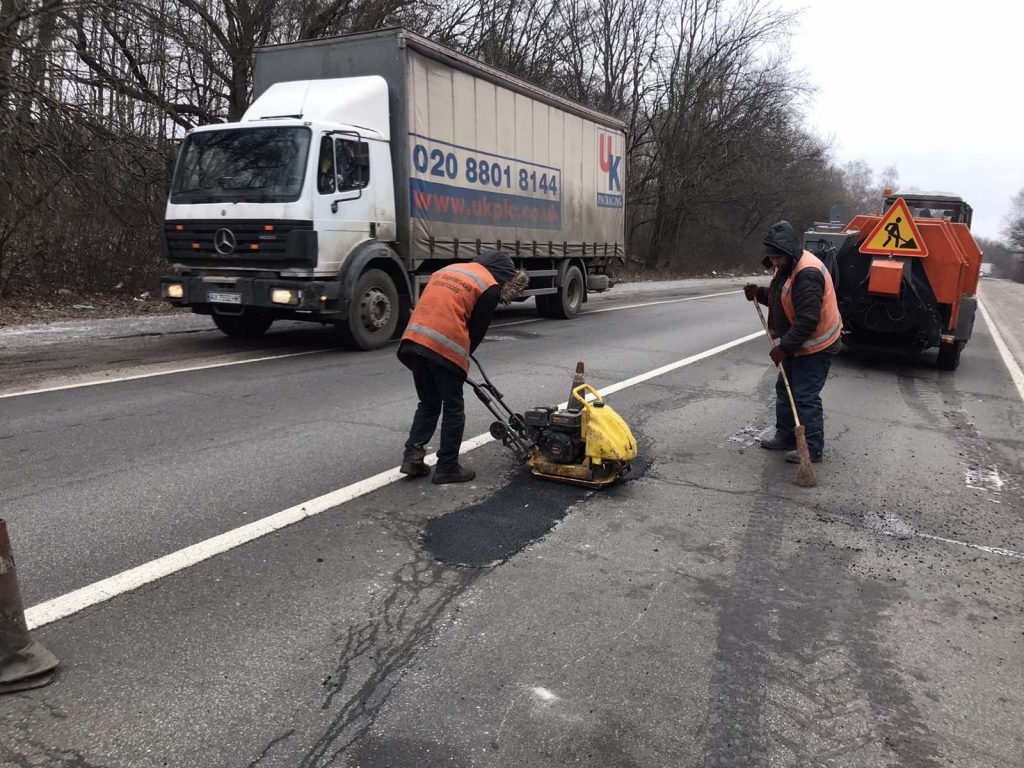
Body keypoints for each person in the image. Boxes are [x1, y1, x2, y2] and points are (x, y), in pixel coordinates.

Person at [398, 251, 529, 484]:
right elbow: (475, 333)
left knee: (428, 402)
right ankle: (447, 467)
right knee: (453, 406)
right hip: (443, 344)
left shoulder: (449, 270)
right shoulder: (490, 287)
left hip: (414, 340)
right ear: (502, 275)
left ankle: (412, 458)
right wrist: (461, 361)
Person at [743, 221, 842, 463]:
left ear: (788, 252)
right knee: (783, 387)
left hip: (816, 344)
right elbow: (783, 298)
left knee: (805, 394)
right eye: (772, 256)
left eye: (778, 257)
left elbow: (808, 320)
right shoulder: (786, 265)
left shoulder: (807, 274)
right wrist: (760, 294)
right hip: (797, 341)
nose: (774, 261)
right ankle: (786, 435)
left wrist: (784, 347)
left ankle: (811, 448)